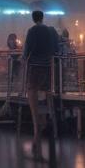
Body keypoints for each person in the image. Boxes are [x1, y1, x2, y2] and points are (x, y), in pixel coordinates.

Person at [22, 10, 59, 160]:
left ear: (33, 19)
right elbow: (55, 48)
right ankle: (49, 119)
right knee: (46, 89)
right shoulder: (51, 31)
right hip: (47, 65)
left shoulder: (32, 31)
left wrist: (24, 58)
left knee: (31, 90)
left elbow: (27, 49)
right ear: (42, 18)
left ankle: (36, 124)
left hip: (35, 65)